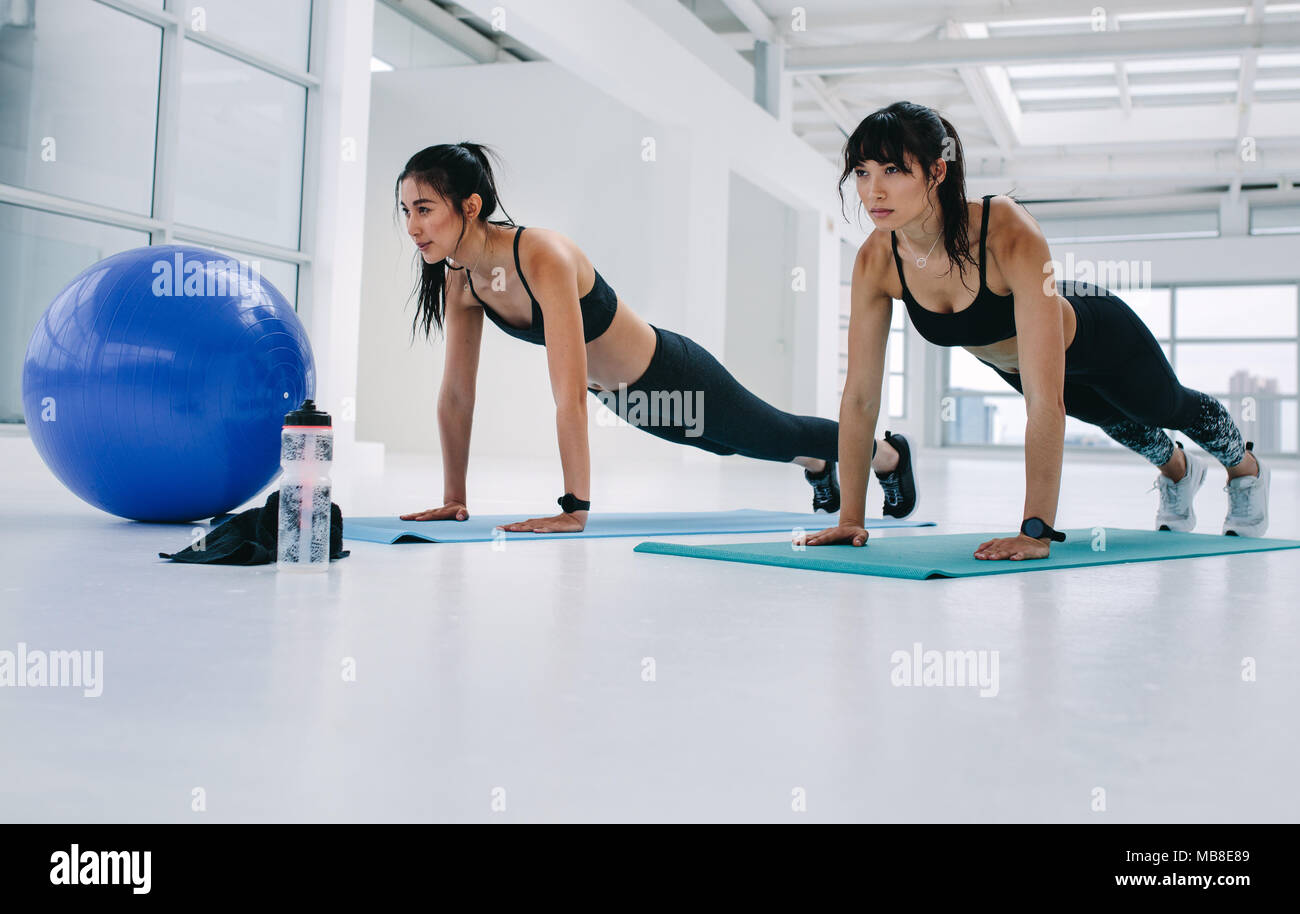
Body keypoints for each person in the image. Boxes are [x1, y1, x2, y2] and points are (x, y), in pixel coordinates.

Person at [807, 101, 1270, 559]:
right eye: (863, 172)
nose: (873, 191)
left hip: (1097, 337)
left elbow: (1045, 401)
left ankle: (1245, 470)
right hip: (1016, 364)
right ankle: (1178, 472)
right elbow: (861, 397)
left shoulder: (1003, 228)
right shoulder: (877, 259)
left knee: (1163, 405)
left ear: (936, 172)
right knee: (1115, 421)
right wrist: (851, 519)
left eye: (892, 170)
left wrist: (1035, 530)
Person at [395, 143, 918, 532]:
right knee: (729, 447)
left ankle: (887, 454)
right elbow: (458, 395)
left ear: (469, 206)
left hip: (671, 372)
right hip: (627, 400)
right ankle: (818, 461)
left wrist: (573, 509)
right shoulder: (462, 280)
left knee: (771, 433)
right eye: (406, 212)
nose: (414, 226)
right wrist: (453, 497)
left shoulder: (541, 256)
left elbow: (567, 392)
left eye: (424, 209)